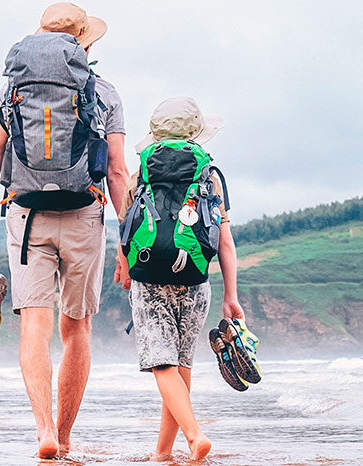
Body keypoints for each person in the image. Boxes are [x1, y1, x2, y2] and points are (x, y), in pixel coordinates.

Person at [0, 2, 130, 459]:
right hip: (84, 216)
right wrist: (129, 241)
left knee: (35, 326)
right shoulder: (105, 93)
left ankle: (44, 431)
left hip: (26, 217)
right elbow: (116, 173)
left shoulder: (12, 91)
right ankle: (67, 437)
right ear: (84, 42)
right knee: (77, 329)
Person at [115, 97, 243, 462]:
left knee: (162, 364)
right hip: (195, 280)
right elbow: (225, 240)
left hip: (149, 278)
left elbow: (127, 229)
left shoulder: (141, 174)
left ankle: (193, 435)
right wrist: (230, 296)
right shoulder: (210, 176)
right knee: (180, 365)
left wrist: (124, 266)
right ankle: (162, 452)